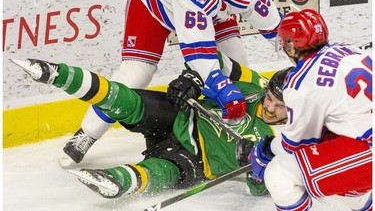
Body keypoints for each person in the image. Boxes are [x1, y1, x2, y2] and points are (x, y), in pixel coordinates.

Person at [60, 0, 282, 167]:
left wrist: (307, 62)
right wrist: (221, 87)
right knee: (137, 73)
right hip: (154, 2)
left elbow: (279, 31)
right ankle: (86, 133)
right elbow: (198, 54)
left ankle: (230, 130)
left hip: (210, 9)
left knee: (238, 66)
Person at [12, 58, 292, 198]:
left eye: (280, 107)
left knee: (163, 172)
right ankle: (56, 74)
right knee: (127, 100)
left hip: (195, 161)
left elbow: (264, 189)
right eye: (270, 99)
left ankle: (117, 181)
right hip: (181, 115)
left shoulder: (282, 139)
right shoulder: (253, 84)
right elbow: (212, 58)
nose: (270, 108)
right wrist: (193, 78)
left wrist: (256, 170)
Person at [248, 9, 372, 211]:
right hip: (361, 144)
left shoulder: (302, 82)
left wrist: (266, 150)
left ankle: (363, 199)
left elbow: (296, 144)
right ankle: (363, 201)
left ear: (291, 45)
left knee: (279, 174)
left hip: (366, 153)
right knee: (323, 154)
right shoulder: (347, 49)